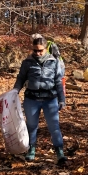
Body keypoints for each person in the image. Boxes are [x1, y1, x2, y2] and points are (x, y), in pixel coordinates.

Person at [13, 35, 67, 163]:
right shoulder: (27, 62)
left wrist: (62, 99)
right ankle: (31, 149)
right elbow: (21, 78)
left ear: (46, 49)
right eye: (35, 50)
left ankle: (59, 151)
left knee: (54, 126)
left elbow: (59, 82)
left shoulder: (54, 62)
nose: (37, 53)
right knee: (31, 125)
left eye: (40, 50)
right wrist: (15, 90)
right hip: (32, 99)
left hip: (50, 99)